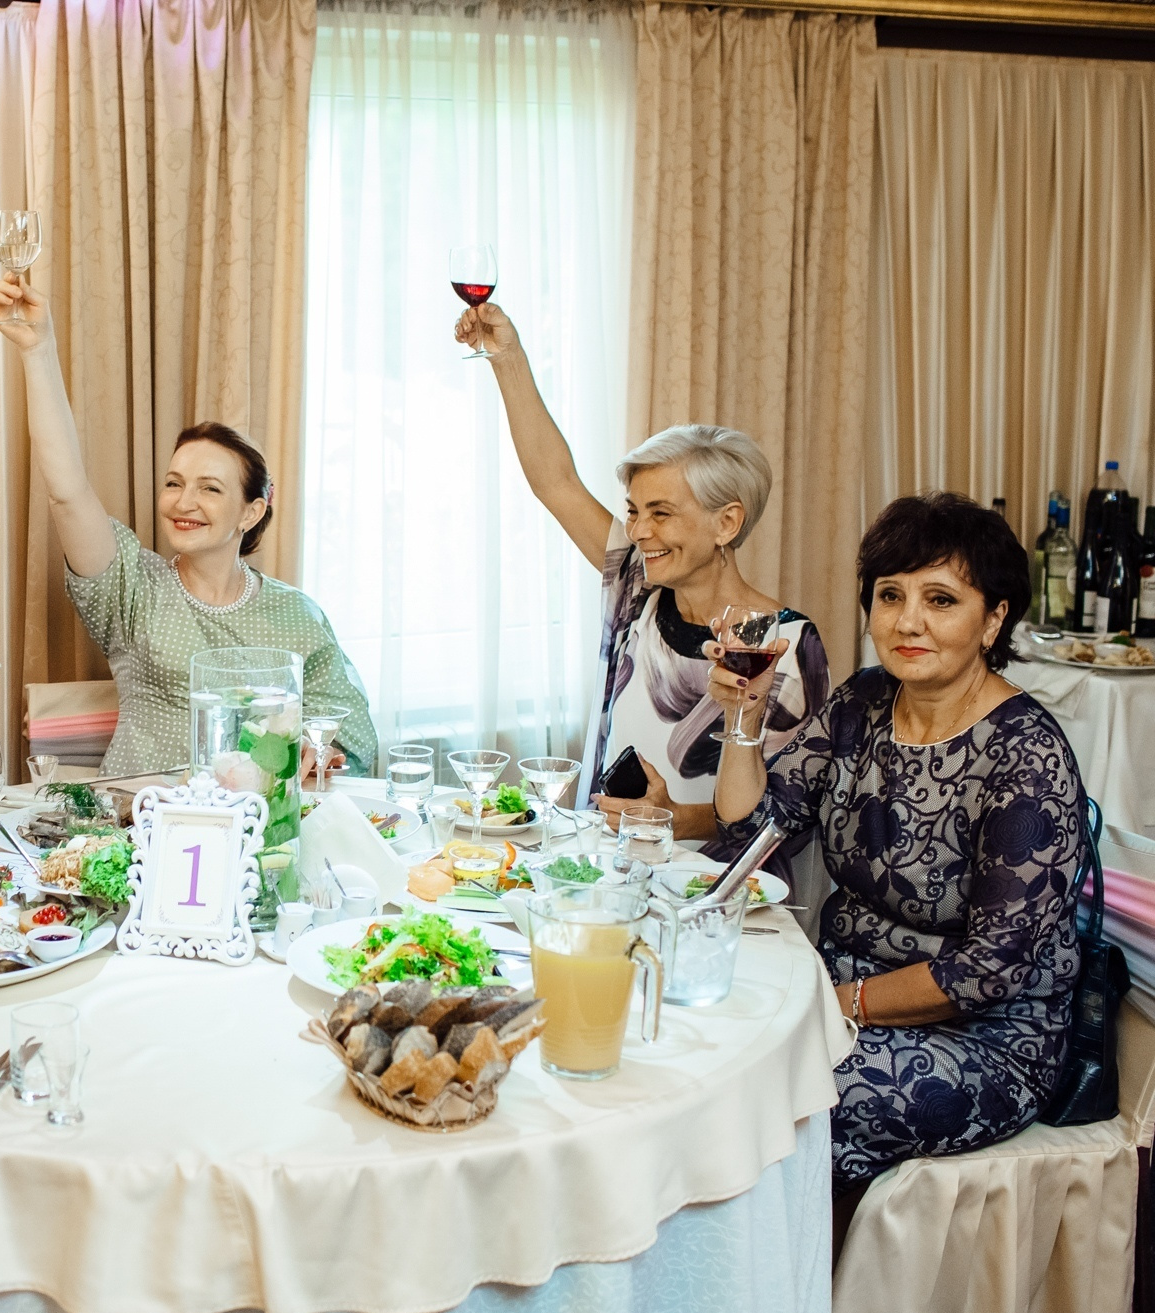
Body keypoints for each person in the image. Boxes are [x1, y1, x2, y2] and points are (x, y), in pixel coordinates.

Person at [710, 493, 1084, 1218]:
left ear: (994, 618)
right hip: (840, 988)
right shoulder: (865, 701)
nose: (908, 621)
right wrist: (743, 717)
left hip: (983, 1037)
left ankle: (777, 1277)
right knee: (702, 1044)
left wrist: (837, 1006)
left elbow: (985, 972)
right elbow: (754, 825)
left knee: (775, 1092)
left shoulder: (1027, 756)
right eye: (890, 595)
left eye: (940, 599)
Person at [456, 303, 829, 861]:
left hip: (715, 889)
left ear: (727, 523)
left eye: (661, 513)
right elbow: (555, 481)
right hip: (609, 867)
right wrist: (507, 358)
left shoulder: (784, 643)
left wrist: (672, 817)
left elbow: (792, 812)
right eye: (634, 511)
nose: (638, 531)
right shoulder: (639, 586)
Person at [0, 275, 375, 777]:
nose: (184, 502)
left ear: (251, 512)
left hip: (254, 819)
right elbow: (67, 492)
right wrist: (39, 351)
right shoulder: (133, 587)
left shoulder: (297, 615)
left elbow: (347, 733)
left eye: (210, 488)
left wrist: (323, 753)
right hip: (138, 813)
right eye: (173, 483)